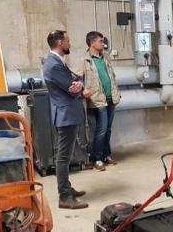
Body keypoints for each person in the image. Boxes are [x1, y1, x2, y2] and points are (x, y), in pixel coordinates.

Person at [43, 30, 91, 209]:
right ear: (59, 42)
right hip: (66, 115)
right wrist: (79, 87)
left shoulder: (57, 62)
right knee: (63, 157)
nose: (70, 44)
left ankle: (67, 188)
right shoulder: (53, 65)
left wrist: (78, 83)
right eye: (68, 41)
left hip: (67, 113)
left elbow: (75, 78)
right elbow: (72, 86)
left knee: (65, 155)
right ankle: (64, 196)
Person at [80, 31, 121, 172]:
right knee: (101, 129)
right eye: (100, 41)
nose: (103, 43)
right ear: (92, 43)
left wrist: (117, 94)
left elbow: (112, 77)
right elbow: (78, 79)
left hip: (110, 98)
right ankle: (96, 159)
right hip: (97, 100)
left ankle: (106, 155)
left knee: (108, 129)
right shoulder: (85, 60)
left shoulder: (105, 58)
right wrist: (83, 90)